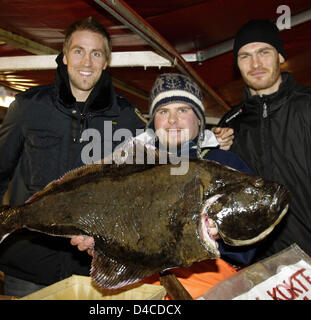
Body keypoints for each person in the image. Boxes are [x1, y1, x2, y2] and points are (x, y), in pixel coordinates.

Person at [0, 17, 147, 298]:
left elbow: (139, 192)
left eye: (96, 53)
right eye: (79, 51)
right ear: (65, 56)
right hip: (28, 267)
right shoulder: (28, 108)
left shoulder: (127, 118)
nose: (87, 62)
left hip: (92, 273)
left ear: (106, 61)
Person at [72, 73, 257, 299]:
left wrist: (220, 237)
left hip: (212, 289)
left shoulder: (226, 165)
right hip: (145, 291)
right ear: (153, 122)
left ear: (199, 119)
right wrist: (103, 243)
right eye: (163, 111)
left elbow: (248, 245)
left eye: (182, 110)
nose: (172, 120)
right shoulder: (130, 167)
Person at [216, 19, 311, 262]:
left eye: (264, 52)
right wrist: (213, 152)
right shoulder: (230, 124)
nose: (255, 64)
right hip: (262, 269)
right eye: (245, 56)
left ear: (279, 56)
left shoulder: (307, 105)